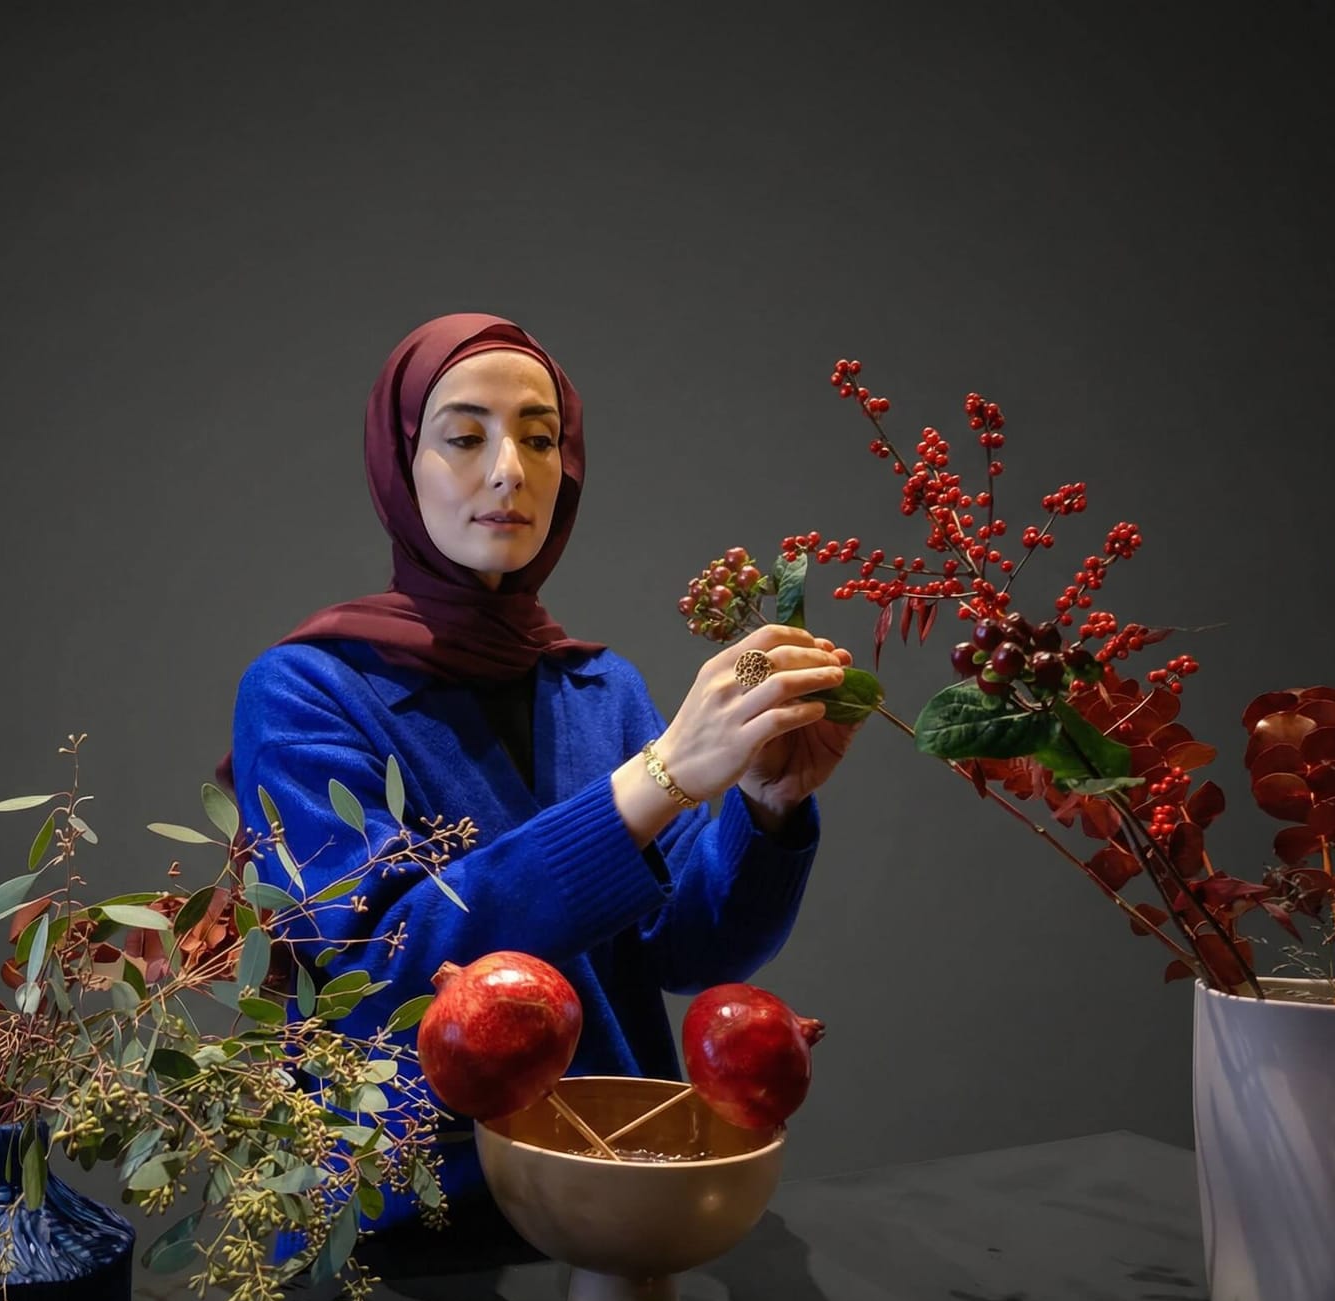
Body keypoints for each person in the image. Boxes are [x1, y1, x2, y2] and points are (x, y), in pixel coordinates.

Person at [228, 312, 862, 1243]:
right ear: (399, 464)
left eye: (538, 436)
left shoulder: (600, 689)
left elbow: (691, 950)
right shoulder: (306, 691)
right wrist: (657, 779)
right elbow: (378, 972)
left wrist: (768, 810)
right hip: (404, 1223)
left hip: (613, 1195)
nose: (508, 472)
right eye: (463, 436)